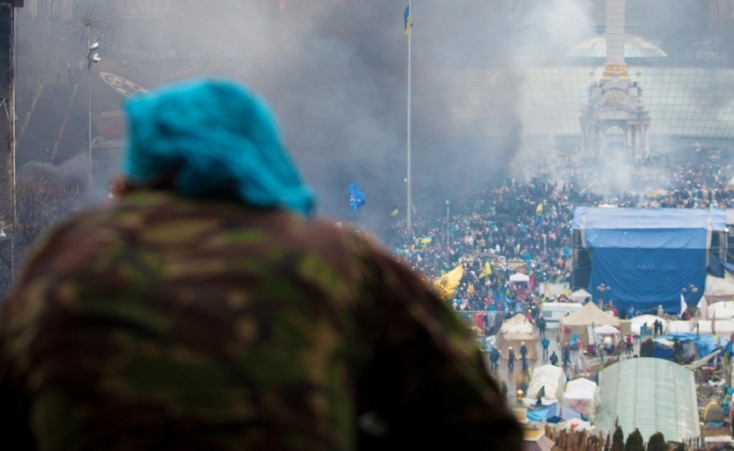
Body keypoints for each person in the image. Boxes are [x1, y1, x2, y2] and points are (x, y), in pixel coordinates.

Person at [0, 78, 521, 451]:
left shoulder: (63, 256)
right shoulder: (334, 260)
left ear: (139, 169)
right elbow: (479, 424)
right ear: (262, 158)